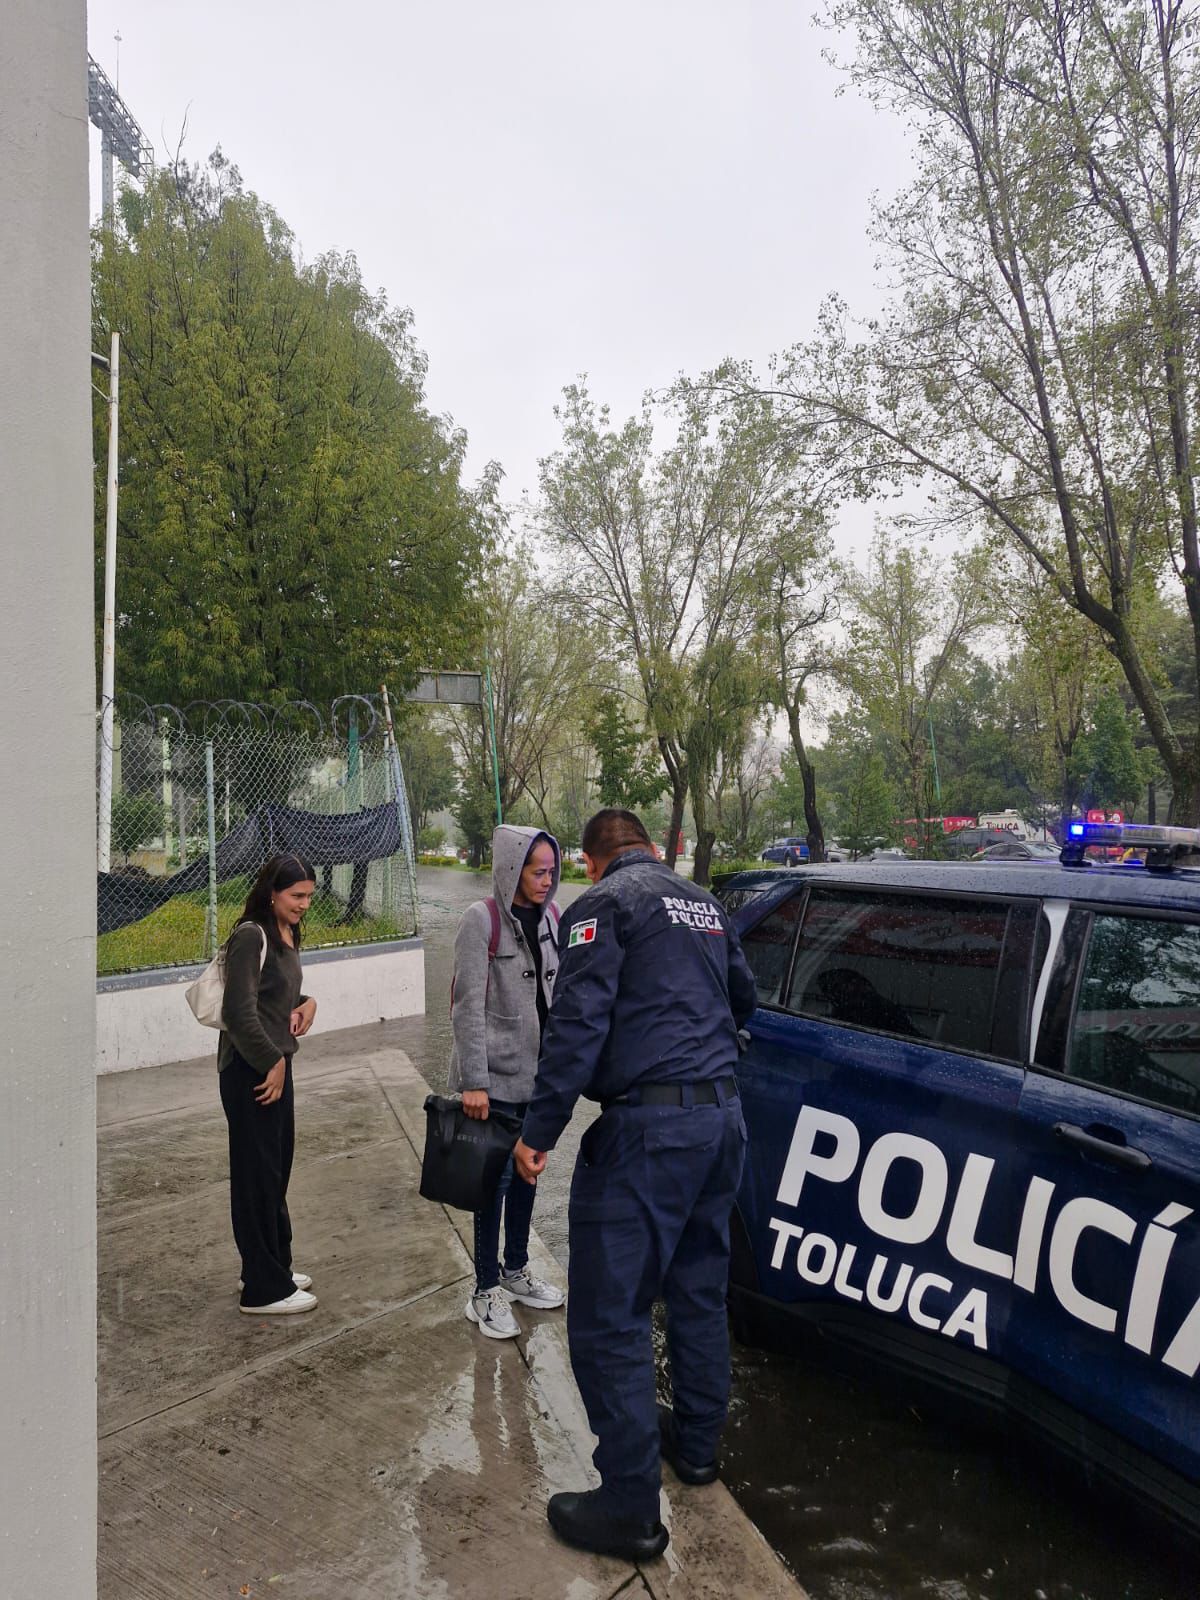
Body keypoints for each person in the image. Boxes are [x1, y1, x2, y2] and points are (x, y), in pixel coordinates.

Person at [514, 808, 757, 1562]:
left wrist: (538, 1133)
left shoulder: (605, 906)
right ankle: (696, 1449)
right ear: (653, 847)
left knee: (608, 1315)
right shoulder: (707, 905)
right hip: (722, 1126)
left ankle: (627, 1506)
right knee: (696, 1289)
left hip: (649, 1137)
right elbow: (743, 999)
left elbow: (576, 1028)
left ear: (593, 860)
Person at [449, 825, 566, 1339]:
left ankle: (517, 1268)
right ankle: (485, 1288)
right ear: (512, 869)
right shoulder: (482, 921)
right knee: (490, 1186)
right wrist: (473, 1079)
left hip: (537, 1079)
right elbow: (466, 1004)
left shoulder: (553, 918)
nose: (547, 880)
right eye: (538, 871)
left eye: (551, 871)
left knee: (528, 1176)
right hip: (493, 1082)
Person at [218, 853, 319, 1315]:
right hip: (251, 1070)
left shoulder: (286, 932)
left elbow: (276, 992)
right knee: (256, 1177)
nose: (303, 905)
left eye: (308, 897)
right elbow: (238, 1012)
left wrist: (308, 1002)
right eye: (296, 896)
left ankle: (273, 1264)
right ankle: (262, 1289)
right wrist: (271, 1062)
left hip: (277, 1064)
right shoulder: (250, 935)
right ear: (272, 892)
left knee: (275, 1170)